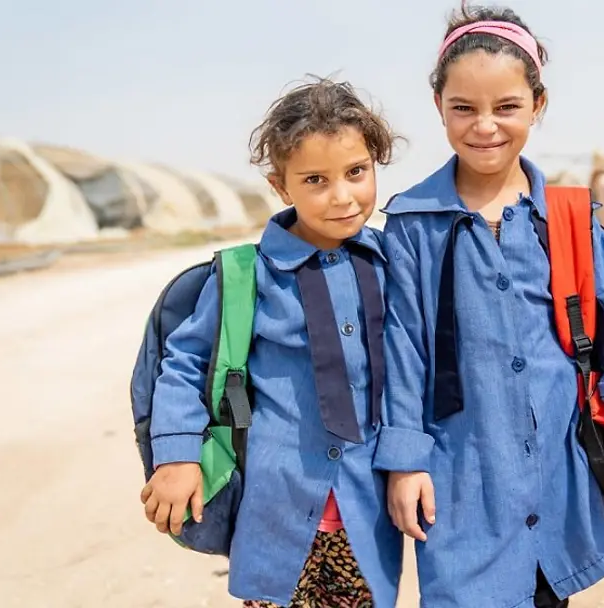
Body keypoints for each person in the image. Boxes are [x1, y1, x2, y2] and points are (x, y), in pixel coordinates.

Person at [373, 5, 604, 607]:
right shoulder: (411, 228)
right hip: (463, 483)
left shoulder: (568, 219)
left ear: (537, 104)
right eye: (464, 108)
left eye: (506, 107)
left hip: (554, 480)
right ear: (439, 108)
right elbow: (401, 353)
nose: (485, 125)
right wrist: (404, 464)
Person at [139, 77, 403, 607]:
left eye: (356, 172)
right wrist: (176, 457)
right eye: (315, 180)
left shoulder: (392, 262)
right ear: (281, 186)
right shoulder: (247, 277)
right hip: (275, 506)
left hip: (366, 506)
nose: (342, 196)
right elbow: (185, 364)